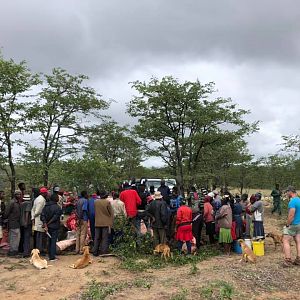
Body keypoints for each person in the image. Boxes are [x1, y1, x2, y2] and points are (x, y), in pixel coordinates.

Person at [41, 193, 63, 261]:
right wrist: (48, 223)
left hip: (47, 227)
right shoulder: (57, 207)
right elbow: (55, 217)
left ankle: (49, 254)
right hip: (54, 226)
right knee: (53, 241)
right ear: (56, 199)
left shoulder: (45, 206)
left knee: (49, 241)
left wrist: (45, 224)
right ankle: (52, 257)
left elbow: (42, 216)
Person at [282, 186, 300, 267]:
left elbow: (291, 214)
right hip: (299, 224)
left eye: (287, 192)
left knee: (285, 240)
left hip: (293, 224)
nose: (286, 194)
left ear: (290, 192)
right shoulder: (299, 200)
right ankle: (298, 259)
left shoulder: (292, 202)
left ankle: (288, 260)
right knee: (298, 240)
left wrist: (287, 224)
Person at [93, 191, 114, 256]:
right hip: (105, 222)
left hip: (97, 222)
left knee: (97, 237)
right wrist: (111, 222)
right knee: (104, 237)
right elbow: (111, 212)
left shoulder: (96, 202)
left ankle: (95, 251)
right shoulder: (107, 202)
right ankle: (104, 251)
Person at [4, 190, 22, 256]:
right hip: (12, 223)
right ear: (15, 195)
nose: (19, 196)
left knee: (17, 238)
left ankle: (14, 251)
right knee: (13, 237)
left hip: (17, 223)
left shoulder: (18, 202)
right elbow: (6, 213)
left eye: (20, 194)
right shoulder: (12, 202)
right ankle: (12, 252)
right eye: (17, 194)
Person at [31, 187, 48, 254]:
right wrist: (34, 216)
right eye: (46, 193)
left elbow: (33, 209)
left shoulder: (37, 199)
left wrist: (33, 217)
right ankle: (39, 250)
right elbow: (37, 211)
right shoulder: (41, 200)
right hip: (39, 220)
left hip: (36, 219)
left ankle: (37, 249)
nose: (47, 194)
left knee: (37, 236)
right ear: (43, 193)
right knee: (40, 237)